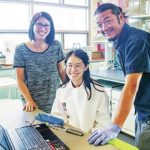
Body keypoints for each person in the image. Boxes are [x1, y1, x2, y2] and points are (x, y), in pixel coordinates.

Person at [88, 3, 150, 148]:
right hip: (143, 110)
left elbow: (131, 86)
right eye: (99, 24)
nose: (104, 28)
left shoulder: (136, 40)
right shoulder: (123, 40)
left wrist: (115, 126)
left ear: (121, 17)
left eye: (108, 20)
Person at [13, 11, 65, 113]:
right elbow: (20, 80)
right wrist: (29, 101)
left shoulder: (56, 45)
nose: (42, 28)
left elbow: (62, 71)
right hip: (32, 102)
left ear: (50, 28)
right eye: (39, 24)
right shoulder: (20, 49)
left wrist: (72, 90)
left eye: (46, 25)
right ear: (32, 26)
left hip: (55, 100)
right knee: (33, 128)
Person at [51, 49, 111, 133]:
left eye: (78, 65)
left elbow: (103, 122)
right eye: (70, 65)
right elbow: (57, 115)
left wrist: (91, 134)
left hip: (91, 138)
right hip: (69, 134)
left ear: (86, 67)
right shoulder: (61, 91)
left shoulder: (99, 91)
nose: (73, 69)